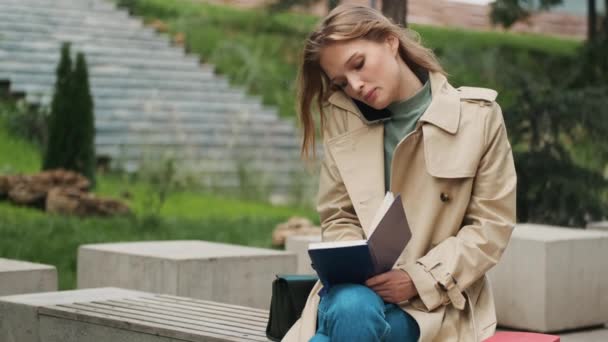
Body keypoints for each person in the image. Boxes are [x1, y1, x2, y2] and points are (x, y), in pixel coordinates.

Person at [283, 4, 517, 342]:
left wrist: (418, 278)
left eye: (358, 65)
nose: (356, 85)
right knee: (353, 309)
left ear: (391, 41)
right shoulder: (344, 118)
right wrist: (356, 261)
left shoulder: (477, 119)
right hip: (357, 289)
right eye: (342, 82)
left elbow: (490, 228)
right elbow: (338, 216)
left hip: (433, 304)